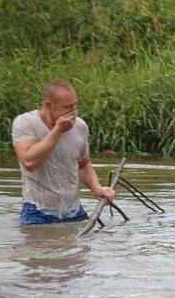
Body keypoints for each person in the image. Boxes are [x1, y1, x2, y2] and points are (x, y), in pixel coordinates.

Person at [12, 80, 116, 226]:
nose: (73, 111)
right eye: (67, 107)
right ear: (48, 105)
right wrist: (58, 130)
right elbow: (29, 162)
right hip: (38, 212)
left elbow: (83, 164)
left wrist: (96, 188)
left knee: (85, 246)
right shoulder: (25, 123)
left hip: (74, 211)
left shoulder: (80, 126)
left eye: (75, 105)